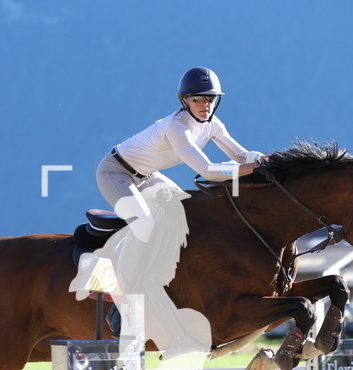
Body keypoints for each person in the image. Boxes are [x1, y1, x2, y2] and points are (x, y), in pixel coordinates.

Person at [80, 67, 263, 340]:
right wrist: (253, 167)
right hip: (115, 172)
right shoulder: (176, 128)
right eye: (197, 99)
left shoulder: (213, 123)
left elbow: (240, 155)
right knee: (145, 225)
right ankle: (123, 302)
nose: (205, 105)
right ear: (184, 101)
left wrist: (267, 159)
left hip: (147, 175)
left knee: (187, 212)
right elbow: (209, 172)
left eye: (210, 99)